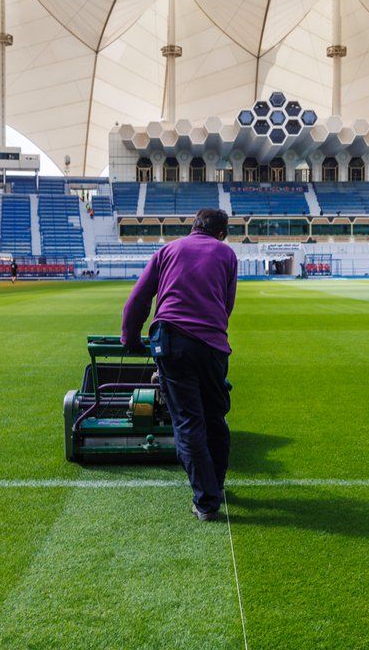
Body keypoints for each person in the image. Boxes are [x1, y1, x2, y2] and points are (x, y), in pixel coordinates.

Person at [122, 208, 238, 522]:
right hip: (213, 345)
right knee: (215, 418)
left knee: (188, 422)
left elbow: (139, 299)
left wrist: (130, 339)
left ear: (193, 227)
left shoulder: (168, 250)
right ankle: (215, 485)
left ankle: (206, 499)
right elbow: (226, 306)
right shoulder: (227, 255)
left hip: (172, 341)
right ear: (222, 233)